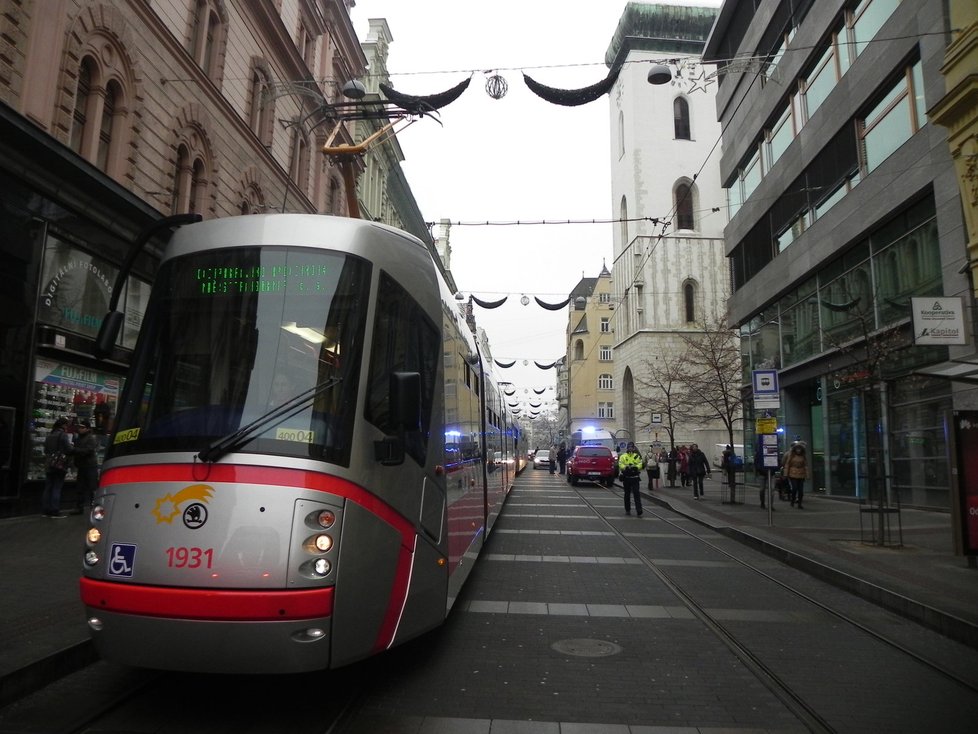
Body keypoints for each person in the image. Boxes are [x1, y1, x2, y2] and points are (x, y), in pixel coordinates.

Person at [41, 417, 72, 518]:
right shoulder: (62, 435)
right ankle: (54, 510)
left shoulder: (50, 435)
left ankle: (46, 510)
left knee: (48, 487)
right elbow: (68, 449)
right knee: (57, 487)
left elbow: (45, 450)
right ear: (63, 425)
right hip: (59, 464)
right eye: (66, 425)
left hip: (49, 463)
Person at [72, 419, 99, 514]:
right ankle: (79, 507)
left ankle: (94, 507)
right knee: (80, 488)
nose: (80, 429)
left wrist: (75, 450)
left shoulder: (91, 438)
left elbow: (89, 450)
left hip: (90, 466)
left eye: (82, 427)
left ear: (87, 428)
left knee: (92, 488)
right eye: (79, 427)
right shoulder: (79, 438)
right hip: (82, 465)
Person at [618, 442, 644, 516]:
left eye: (631, 447)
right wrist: (625, 467)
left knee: (636, 494)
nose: (630, 448)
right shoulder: (623, 456)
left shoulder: (636, 456)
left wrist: (636, 467)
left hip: (635, 477)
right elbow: (620, 464)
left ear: (633, 448)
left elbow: (640, 463)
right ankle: (627, 509)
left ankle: (639, 510)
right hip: (626, 478)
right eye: (629, 447)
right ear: (627, 448)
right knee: (627, 495)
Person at [782, 442, 809, 509]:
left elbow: (806, 466)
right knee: (794, 488)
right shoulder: (791, 455)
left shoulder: (803, 456)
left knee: (801, 490)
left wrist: (807, 475)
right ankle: (793, 500)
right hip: (792, 474)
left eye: (799, 449)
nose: (798, 450)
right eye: (797, 449)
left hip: (801, 474)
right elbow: (787, 465)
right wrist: (785, 474)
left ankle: (799, 503)